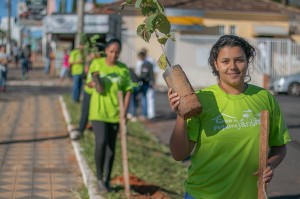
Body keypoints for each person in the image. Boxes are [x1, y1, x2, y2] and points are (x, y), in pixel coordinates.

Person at [167, 35, 291, 199]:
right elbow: (179, 154)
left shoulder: (264, 98)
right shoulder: (201, 99)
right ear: (215, 64)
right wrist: (181, 116)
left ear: (248, 62)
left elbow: (279, 145)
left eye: (239, 60)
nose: (233, 66)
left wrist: (269, 165)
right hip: (203, 194)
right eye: (225, 61)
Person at [86, 38, 132, 193]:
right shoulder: (96, 65)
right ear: (106, 51)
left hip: (115, 114)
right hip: (98, 112)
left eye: (117, 52)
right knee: (101, 142)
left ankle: (107, 180)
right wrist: (95, 82)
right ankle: (99, 179)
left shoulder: (123, 69)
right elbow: (90, 84)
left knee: (111, 148)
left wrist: (124, 113)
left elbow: (128, 91)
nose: (114, 55)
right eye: (111, 51)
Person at [70, 45, 103, 140]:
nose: (92, 54)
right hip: (88, 90)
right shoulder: (90, 60)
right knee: (85, 111)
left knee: (95, 112)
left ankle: (94, 129)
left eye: (95, 52)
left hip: (96, 92)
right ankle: (81, 129)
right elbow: (86, 71)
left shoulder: (101, 63)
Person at [136, 48, 158, 119]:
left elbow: (153, 72)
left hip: (148, 82)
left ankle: (150, 114)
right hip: (142, 82)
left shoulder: (149, 62)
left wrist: (153, 82)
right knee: (144, 98)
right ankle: (146, 113)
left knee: (150, 98)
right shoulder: (140, 62)